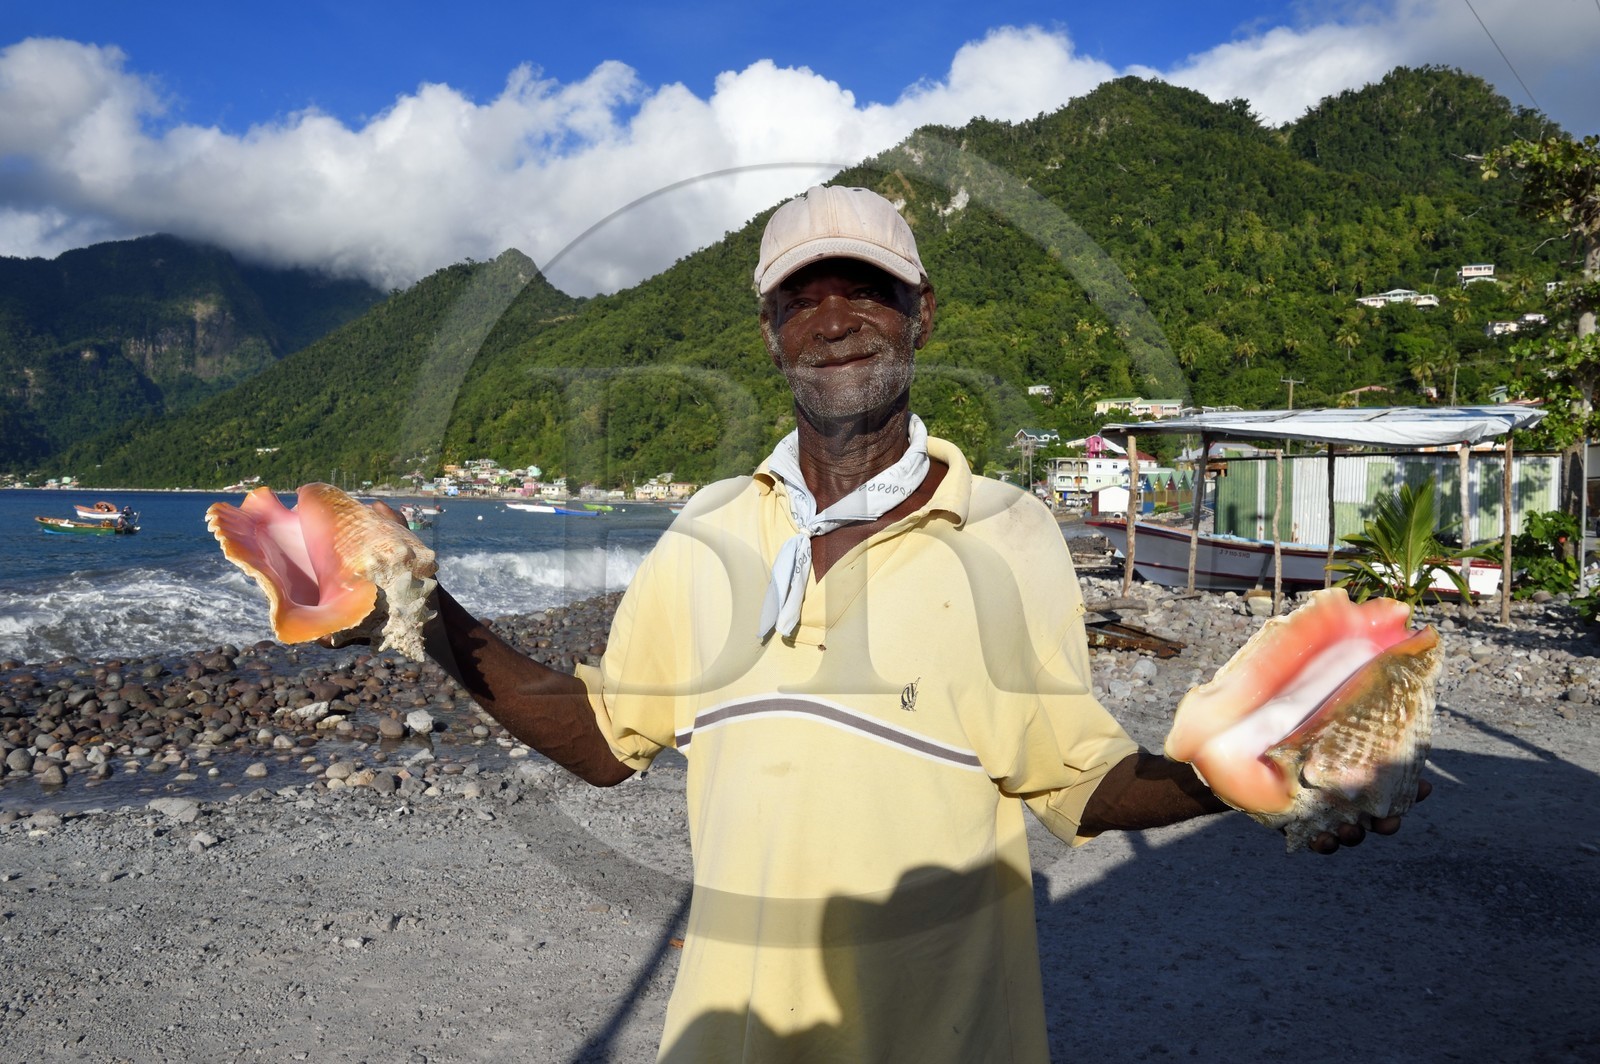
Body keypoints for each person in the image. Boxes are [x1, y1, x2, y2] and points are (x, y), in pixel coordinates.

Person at [407, 185, 1422, 1062]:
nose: (833, 320)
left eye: (866, 290)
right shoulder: (708, 528)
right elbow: (602, 738)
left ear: (921, 313)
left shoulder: (1007, 532)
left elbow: (1077, 777)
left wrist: (1237, 775)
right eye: (802, 298)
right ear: (768, 333)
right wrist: (417, 609)